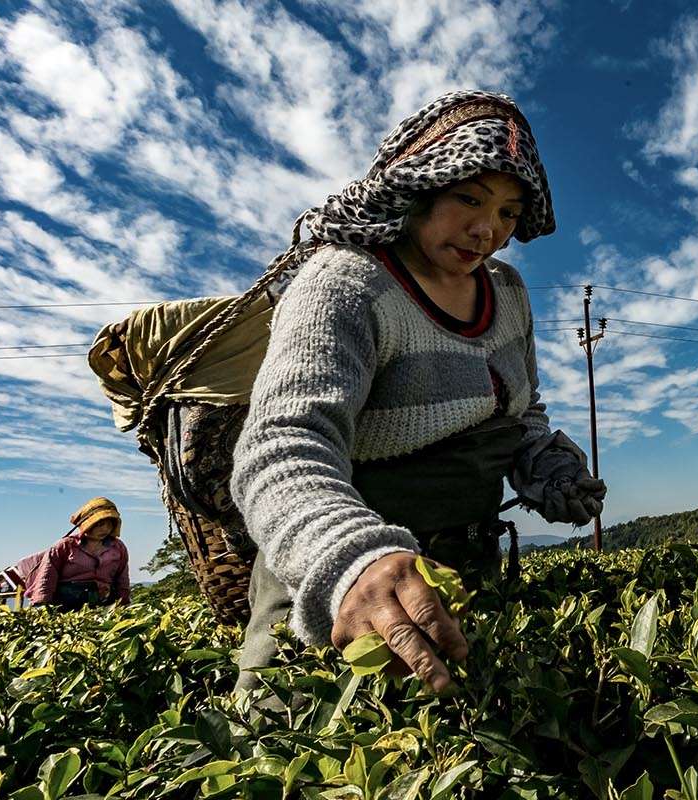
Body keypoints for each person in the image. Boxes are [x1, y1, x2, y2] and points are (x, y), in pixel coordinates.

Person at [230, 91, 605, 694]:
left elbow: (520, 408)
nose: (487, 231)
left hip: (464, 571)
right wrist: (353, 559)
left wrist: (545, 465)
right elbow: (282, 444)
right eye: (469, 198)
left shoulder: (507, 293)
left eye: (509, 213)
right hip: (341, 584)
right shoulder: (346, 283)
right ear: (419, 187)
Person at [25, 497, 131, 609]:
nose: (105, 529)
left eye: (109, 524)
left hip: (103, 605)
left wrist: (123, 604)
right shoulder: (65, 546)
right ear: (88, 524)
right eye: (100, 525)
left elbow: (122, 578)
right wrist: (42, 604)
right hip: (67, 606)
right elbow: (47, 576)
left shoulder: (118, 548)